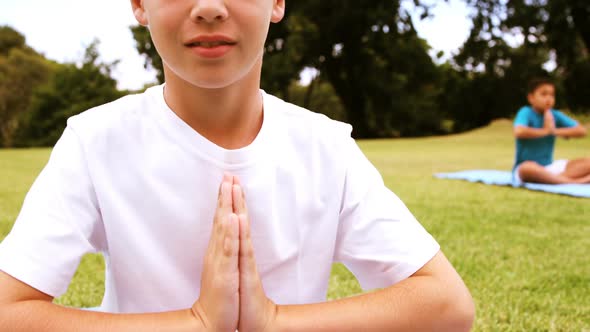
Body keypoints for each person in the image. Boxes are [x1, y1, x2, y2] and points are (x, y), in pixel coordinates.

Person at [0, 0, 475, 331]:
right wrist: (194, 323)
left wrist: (273, 321)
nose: (209, 7)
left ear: (277, 1)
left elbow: (448, 306)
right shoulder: (96, 141)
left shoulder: (324, 147)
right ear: (139, 4)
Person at [513, 78, 590, 185]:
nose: (548, 98)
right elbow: (519, 131)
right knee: (526, 169)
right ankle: (577, 181)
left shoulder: (554, 115)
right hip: (527, 167)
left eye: (552, 95)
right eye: (544, 94)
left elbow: (581, 131)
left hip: (550, 167)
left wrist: (554, 131)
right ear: (531, 98)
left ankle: (553, 179)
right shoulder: (525, 112)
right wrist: (545, 131)